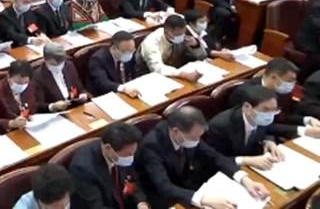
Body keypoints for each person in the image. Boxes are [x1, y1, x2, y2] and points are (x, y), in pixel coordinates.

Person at [137, 106, 269, 209]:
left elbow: (215, 157)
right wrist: (203, 199)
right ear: (176, 131)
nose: (198, 140)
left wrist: (245, 180)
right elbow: (164, 186)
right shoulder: (151, 146)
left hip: (188, 184)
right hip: (163, 196)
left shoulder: (190, 133)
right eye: (195, 137)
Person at [231, 58, 320, 139]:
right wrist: (301, 130)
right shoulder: (245, 93)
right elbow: (258, 126)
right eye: (289, 80)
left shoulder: (283, 91)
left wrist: (306, 120)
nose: (292, 85)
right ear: (274, 77)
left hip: (273, 132)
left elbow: (282, 116)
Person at [69, 123, 148, 209]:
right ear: (108, 148)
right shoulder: (83, 169)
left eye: (133, 153)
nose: (131, 157)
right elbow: (97, 206)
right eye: (128, 154)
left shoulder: (128, 149)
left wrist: (141, 202)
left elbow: (131, 179)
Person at [205, 85, 284, 170]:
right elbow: (213, 159)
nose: (270, 115)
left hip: (253, 163)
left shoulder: (264, 117)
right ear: (247, 107)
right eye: (265, 110)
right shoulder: (220, 126)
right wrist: (245, 160)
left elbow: (267, 130)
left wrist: (268, 141)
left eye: (274, 110)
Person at [138, 14, 207, 79]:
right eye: (178, 34)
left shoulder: (183, 36)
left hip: (173, 73)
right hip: (148, 75)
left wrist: (195, 46)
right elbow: (157, 68)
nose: (182, 36)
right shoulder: (151, 42)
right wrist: (182, 74)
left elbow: (202, 56)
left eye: (183, 33)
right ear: (167, 31)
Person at [33, 42, 89, 112]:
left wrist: (83, 95)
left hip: (75, 108)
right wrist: (52, 106)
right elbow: (38, 105)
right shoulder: (38, 76)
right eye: (55, 63)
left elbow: (80, 87)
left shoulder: (69, 65)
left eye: (61, 62)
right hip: (56, 113)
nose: (60, 65)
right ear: (45, 59)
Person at [0, 60, 38, 134]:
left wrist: (30, 115)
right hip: (9, 132)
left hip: (29, 127)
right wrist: (12, 123)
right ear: (9, 76)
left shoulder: (30, 85)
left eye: (25, 82)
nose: (22, 86)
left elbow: (34, 105)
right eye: (19, 83)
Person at [88, 31, 142, 96]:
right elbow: (102, 83)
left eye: (132, 50)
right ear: (114, 48)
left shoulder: (131, 53)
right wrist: (123, 88)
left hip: (128, 91)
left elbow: (135, 72)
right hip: (108, 94)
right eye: (125, 51)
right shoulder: (98, 59)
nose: (129, 54)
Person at [295, 0, 320, 76]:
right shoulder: (317, 5)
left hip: (317, 40)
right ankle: (302, 78)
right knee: (316, 58)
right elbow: (317, 24)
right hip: (308, 41)